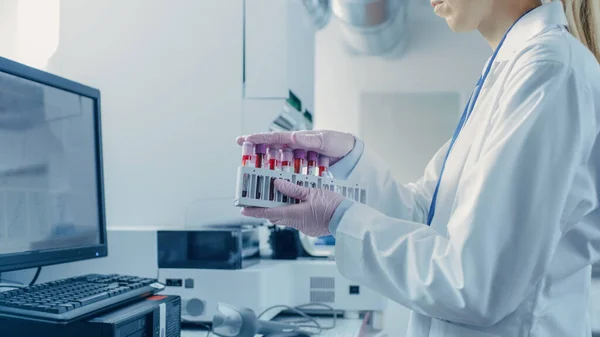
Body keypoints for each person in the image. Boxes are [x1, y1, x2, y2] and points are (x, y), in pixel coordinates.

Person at [238, 0, 600, 336]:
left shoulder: (549, 70)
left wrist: (338, 217)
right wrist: (351, 159)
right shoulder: (511, 71)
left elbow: (474, 284)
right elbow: (427, 217)